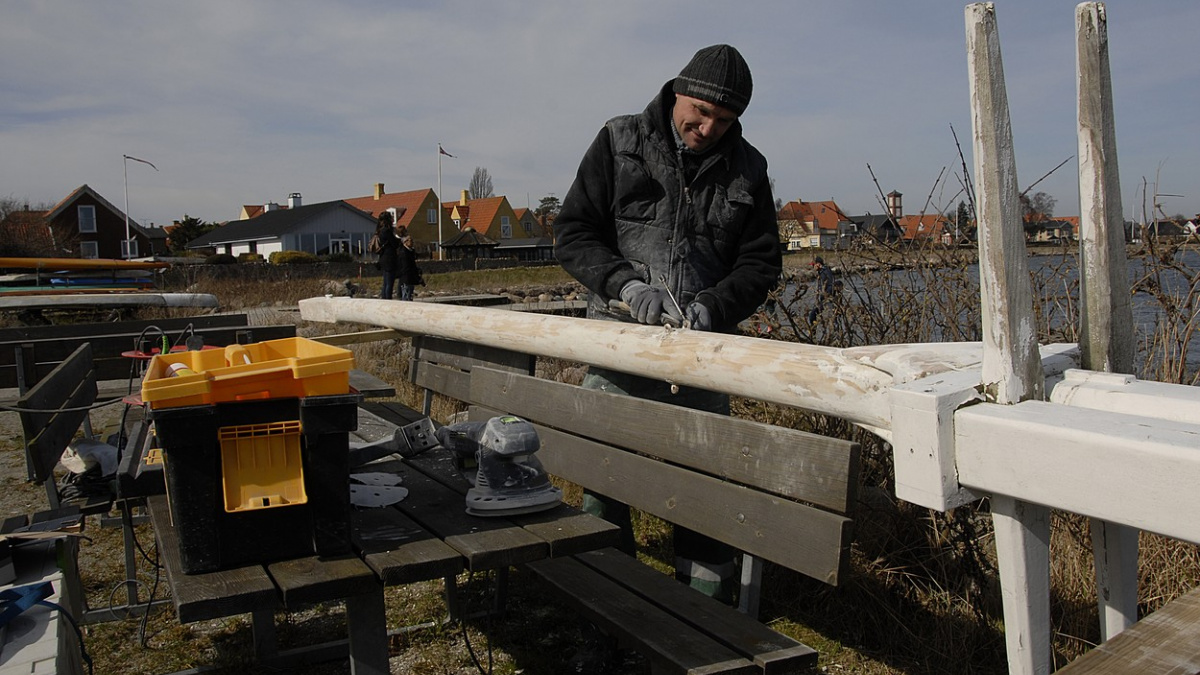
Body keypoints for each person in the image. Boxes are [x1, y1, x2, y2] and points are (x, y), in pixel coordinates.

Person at [554, 44, 782, 604]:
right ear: (677, 90)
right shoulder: (618, 139)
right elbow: (574, 234)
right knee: (604, 481)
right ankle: (609, 607)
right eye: (699, 113)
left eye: (723, 120)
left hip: (704, 361)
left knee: (703, 487)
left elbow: (760, 264)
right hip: (618, 346)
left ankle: (706, 619)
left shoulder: (750, 169)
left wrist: (714, 306)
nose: (707, 129)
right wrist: (625, 286)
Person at [374, 212, 401, 300]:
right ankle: (387, 300)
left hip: (383, 258)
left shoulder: (379, 230)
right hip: (389, 258)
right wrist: (399, 240)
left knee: (385, 282)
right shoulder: (386, 230)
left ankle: (384, 299)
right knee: (389, 282)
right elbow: (394, 243)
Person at [808, 255, 835, 323]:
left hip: (828, 297)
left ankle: (835, 330)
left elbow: (831, 283)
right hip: (823, 298)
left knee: (832, 316)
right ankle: (814, 329)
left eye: (814, 265)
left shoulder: (826, 271)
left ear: (818, 264)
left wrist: (826, 294)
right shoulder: (821, 272)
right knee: (812, 315)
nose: (813, 267)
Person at [396, 235, 420, 301]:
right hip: (406, 277)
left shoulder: (410, 251)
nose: (412, 242)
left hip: (411, 277)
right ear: (405, 242)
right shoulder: (404, 253)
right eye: (410, 240)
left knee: (410, 295)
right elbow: (405, 266)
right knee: (406, 295)